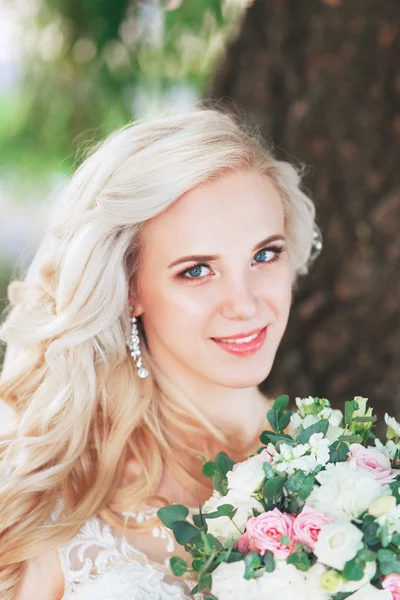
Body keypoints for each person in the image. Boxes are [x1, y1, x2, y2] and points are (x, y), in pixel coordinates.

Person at [0, 107, 321, 599]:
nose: (246, 304)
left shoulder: (351, 474)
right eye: (197, 270)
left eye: (264, 254)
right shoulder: (49, 491)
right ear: (131, 289)